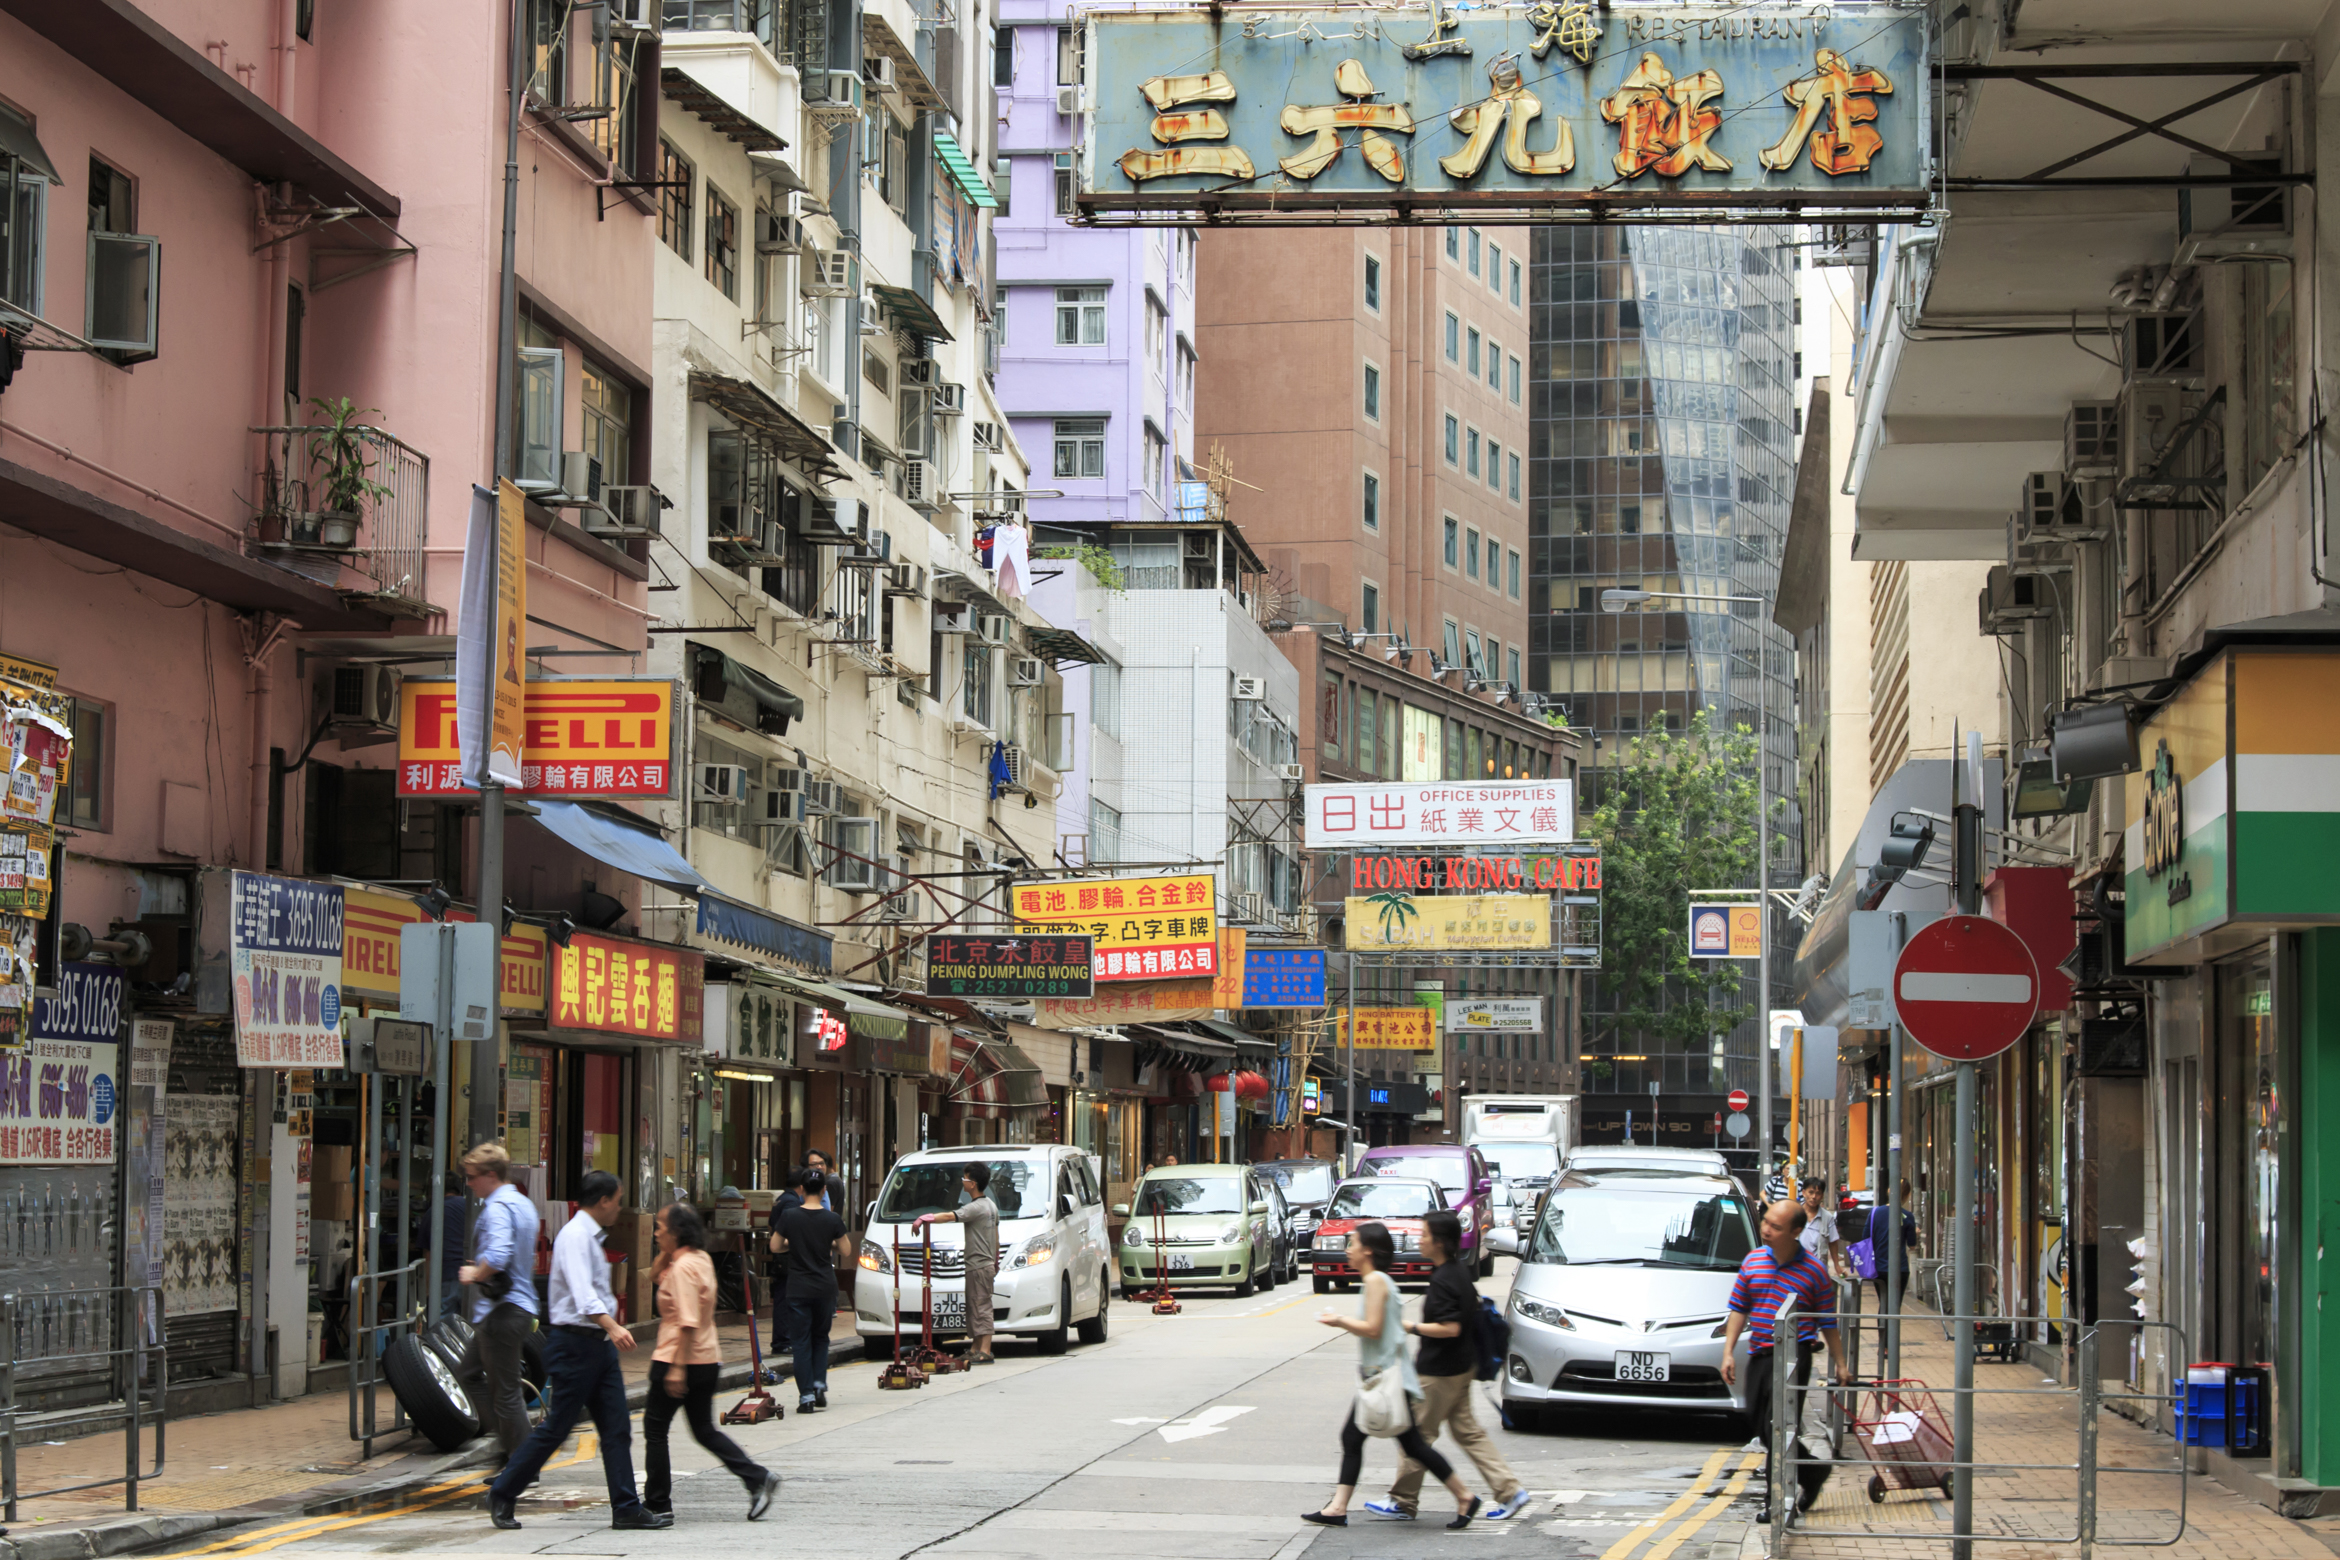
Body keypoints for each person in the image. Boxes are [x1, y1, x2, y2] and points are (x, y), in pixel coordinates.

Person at [486, 1170, 669, 1532]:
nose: (619, 1208)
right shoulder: (574, 1237)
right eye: (617, 1201)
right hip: (575, 1345)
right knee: (557, 1427)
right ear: (602, 1201)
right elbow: (583, 1293)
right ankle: (504, 1491)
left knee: (616, 1428)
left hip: (596, 1347)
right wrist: (613, 1326)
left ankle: (626, 1507)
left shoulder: (590, 1236)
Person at [1300, 1221, 1479, 1530]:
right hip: (1385, 1377)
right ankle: (1339, 1507)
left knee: (1379, 1441)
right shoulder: (1377, 1280)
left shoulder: (1376, 1282)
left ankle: (1339, 1508)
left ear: (1367, 1250)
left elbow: (1374, 1328)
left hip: (1387, 1379)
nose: (1348, 1250)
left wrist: (1339, 1320)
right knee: (1404, 1445)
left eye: (1352, 1244)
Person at [1364, 1211, 1527, 1522]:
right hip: (1461, 1366)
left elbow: (1450, 1328)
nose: (1419, 1239)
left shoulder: (1443, 1281)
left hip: (1439, 1372)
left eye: (1424, 1235)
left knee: (1417, 1436)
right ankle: (1509, 1491)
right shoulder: (1459, 1273)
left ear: (1438, 1242)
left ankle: (1402, 1500)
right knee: (1469, 1433)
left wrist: (1412, 1326)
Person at [643, 1201, 781, 1520]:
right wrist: (668, 1248)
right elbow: (653, 1275)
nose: (656, 1233)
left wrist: (677, 1368)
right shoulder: (699, 1259)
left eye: (661, 1228)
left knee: (654, 1429)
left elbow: (687, 1320)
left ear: (677, 1233)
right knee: (703, 1430)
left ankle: (658, 1504)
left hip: (678, 1358)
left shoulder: (682, 1269)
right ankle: (757, 1478)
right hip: (707, 1358)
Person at [1719, 1199, 1848, 1525]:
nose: (1766, 1230)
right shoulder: (1753, 1261)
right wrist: (1728, 1351)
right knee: (1760, 1425)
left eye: (1775, 1227)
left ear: (1796, 1232)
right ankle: (1814, 1472)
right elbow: (1738, 1308)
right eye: (1766, 1222)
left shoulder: (1814, 1272)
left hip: (1794, 1357)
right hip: (1760, 1354)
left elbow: (1828, 1323)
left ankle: (1776, 1501)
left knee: (1779, 1428)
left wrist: (1841, 1364)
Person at [453, 1142, 541, 1460]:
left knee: (505, 1394)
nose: (469, 1183)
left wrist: (476, 1273)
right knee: (468, 1375)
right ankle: (509, 1446)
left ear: (491, 1175)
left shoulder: (497, 1208)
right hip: (512, 1308)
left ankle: (521, 1464)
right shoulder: (522, 1203)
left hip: (503, 1311)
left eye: (473, 1176)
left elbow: (500, 1254)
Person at [772, 1165, 853, 1411]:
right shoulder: (832, 1218)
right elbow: (847, 1250)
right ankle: (819, 1382)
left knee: (800, 1342)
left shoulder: (790, 1216)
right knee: (821, 1338)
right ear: (824, 1189)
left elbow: (775, 1246)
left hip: (798, 1289)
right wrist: (828, 1243)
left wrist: (793, 1244)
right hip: (825, 1288)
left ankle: (806, 1395)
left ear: (802, 1190)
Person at [912, 1162, 999, 1365]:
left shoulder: (976, 1207)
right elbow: (996, 1235)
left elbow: (950, 1216)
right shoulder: (991, 1206)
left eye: (965, 1178)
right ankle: (976, 1348)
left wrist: (926, 1218)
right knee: (975, 1306)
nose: (962, 1182)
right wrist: (995, 1260)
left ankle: (985, 1350)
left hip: (978, 1264)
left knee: (981, 1306)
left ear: (973, 1184)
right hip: (982, 1264)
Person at [764, 1150, 846, 1352]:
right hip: (808, 1276)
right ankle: (783, 1342)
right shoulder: (794, 1207)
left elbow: (774, 1241)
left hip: (798, 1280)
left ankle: (788, 1345)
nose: (819, 1167)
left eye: (821, 1164)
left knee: (801, 1334)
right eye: (814, 1165)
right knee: (817, 1337)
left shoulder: (786, 1203)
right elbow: (846, 1249)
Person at [1872, 1178, 1920, 1315]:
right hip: (1900, 1268)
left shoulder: (1875, 1213)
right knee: (1894, 1306)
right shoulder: (1908, 1216)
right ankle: (1890, 1335)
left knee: (1884, 1303)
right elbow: (1912, 1245)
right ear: (1908, 1195)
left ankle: (1883, 1335)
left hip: (1878, 1268)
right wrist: (1914, 1232)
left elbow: (1866, 1238)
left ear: (1889, 1191)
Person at [1799, 1176, 1848, 1278]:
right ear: (1804, 1193)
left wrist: (1837, 1265)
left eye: (1818, 1193)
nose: (1814, 1197)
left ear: (1822, 1196)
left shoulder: (1827, 1218)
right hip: (1797, 1268)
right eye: (1811, 1192)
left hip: (1817, 1270)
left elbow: (1833, 1242)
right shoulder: (1794, 1213)